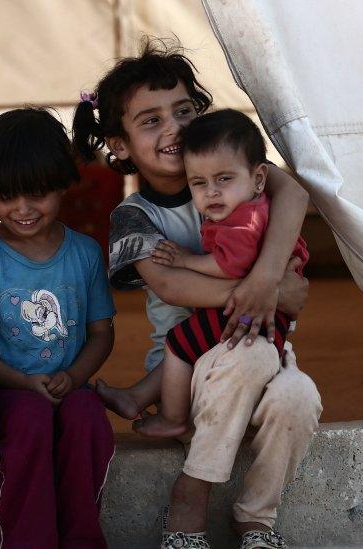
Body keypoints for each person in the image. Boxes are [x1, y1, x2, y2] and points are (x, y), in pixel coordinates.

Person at [72, 39, 322, 549]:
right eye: (150, 121)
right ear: (119, 146)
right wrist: (268, 294)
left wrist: (266, 279)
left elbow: (294, 193)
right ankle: (190, 499)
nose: (174, 128)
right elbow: (170, 283)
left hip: (265, 345)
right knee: (248, 356)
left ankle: (255, 519)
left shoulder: (230, 171)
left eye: (184, 111)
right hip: (185, 370)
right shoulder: (135, 217)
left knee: (301, 396)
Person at [0, 108, 116, 549]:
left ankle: (82, 539)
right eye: (7, 196)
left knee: (88, 415)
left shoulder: (85, 253)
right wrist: (22, 382)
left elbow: (101, 333)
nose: (23, 209)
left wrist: (75, 377)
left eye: (38, 194)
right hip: (6, 395)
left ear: (63, 182)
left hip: (69, 389)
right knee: (30, 418)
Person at [131, 108, 310, 439]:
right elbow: (171, 287)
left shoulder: (244, 217)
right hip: (258, 311)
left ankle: (171, 418)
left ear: (259, 178)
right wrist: (276, 289)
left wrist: (186, 260)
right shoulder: (135, 215)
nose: (211, 191)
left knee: (180, 341)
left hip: (245, 316)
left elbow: (231, 263)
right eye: (199, 183)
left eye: (223, 179)